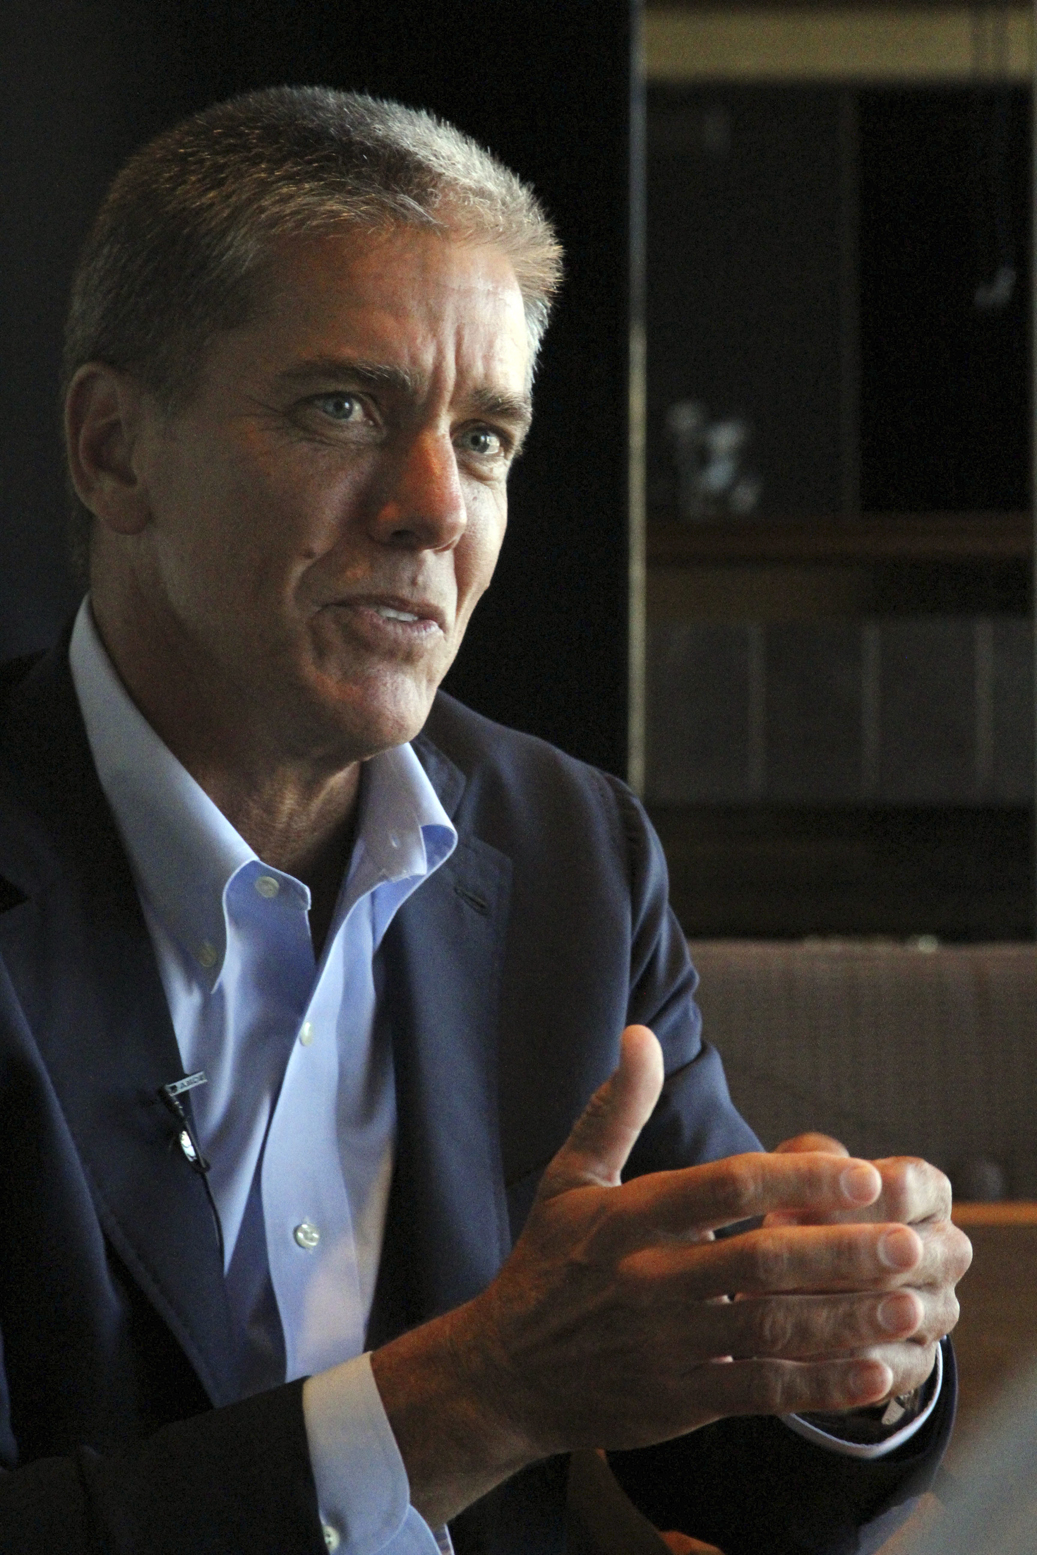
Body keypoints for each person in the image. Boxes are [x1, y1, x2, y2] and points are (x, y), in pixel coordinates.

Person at [0, 87, 970, 1555]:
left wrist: (848, 1347)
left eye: (487, 437)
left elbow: (726, 1471)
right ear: (113, 451)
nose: (433, 508)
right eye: (345, 408)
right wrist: (477, 1399)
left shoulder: (569, 846)